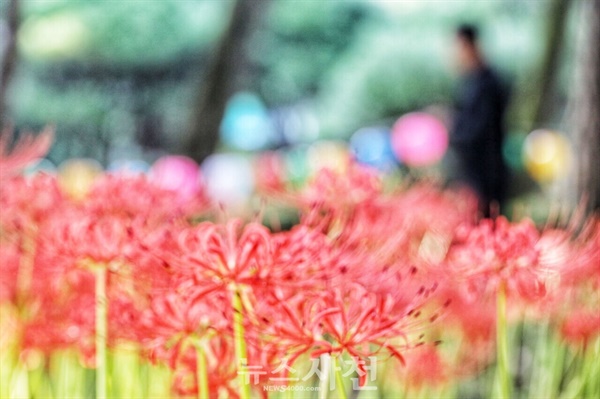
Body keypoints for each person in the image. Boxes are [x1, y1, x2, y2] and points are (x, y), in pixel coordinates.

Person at [450, 24, 509, 218]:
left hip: (486, 173)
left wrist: (452, 131)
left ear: (469, 46)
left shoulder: (487, 83)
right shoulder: (474, 81)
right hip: (475, 172)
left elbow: (479, 128)